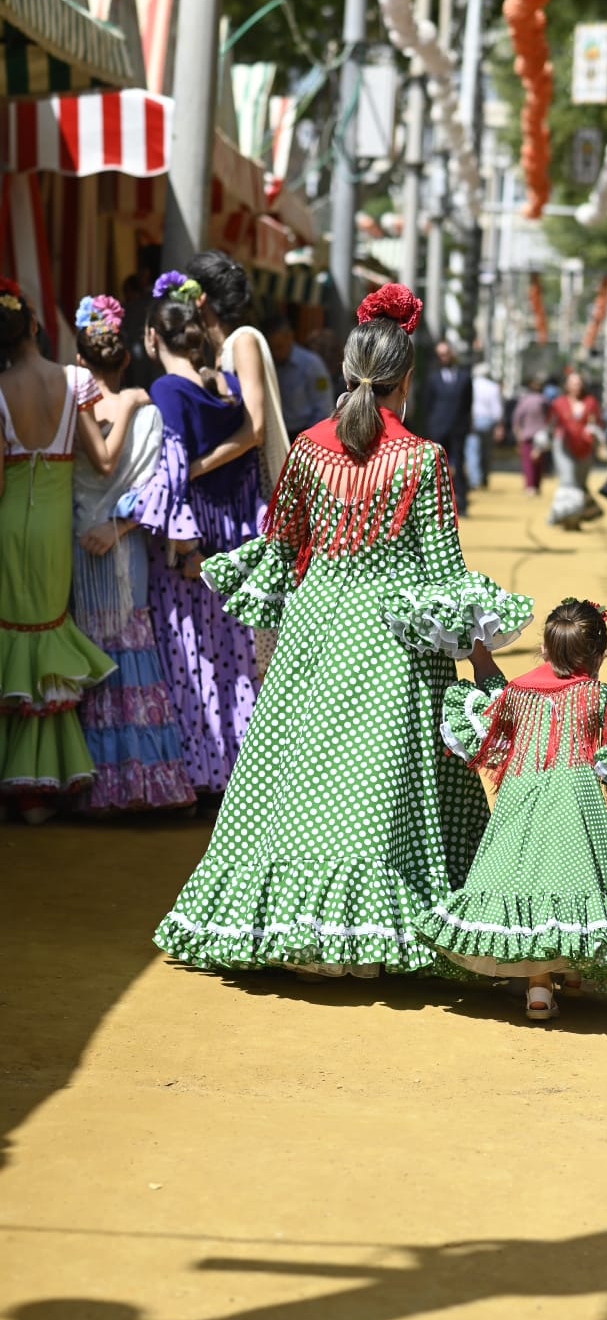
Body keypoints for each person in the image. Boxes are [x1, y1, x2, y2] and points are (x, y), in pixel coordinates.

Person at [152, 284, 533, 977]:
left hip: (316, 630)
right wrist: (482, 661)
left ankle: (292, 925)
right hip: (393, 640)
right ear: (405, 380)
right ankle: (373, 935)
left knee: (300, 777)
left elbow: (281, 548)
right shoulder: (422, 460)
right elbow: (445, 576)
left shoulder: (307, 448)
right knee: (380, 786)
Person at [417, 597, 607, 1021]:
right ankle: (572, 971)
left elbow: (490, 709)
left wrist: (480, 654)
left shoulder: (518, 693)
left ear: (544, 649)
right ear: (600, 655)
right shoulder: (596, 695)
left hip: (520, 799)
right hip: (576, 802)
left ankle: (539, 987)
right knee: (573, 880)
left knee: (526, 880)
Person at [0, 278, 132, 821]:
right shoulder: (76, 380)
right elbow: (104, 460)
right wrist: (131, 404)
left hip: (10, 521)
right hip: (55, 527)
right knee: (45, 637)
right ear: (34, 325)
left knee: (9, 636)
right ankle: (38, 789)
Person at [131, 271, 262, 797]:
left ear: (151, 337)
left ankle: (197, 773)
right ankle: (238, 775)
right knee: (232, 661)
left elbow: (172, 471)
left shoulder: (166, 391)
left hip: (188, 547)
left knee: (188, 658)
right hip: (230, 540)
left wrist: (182, 543)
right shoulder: (227, 389)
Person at [71, 293, 195, 814]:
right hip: (127, 548)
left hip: (78, 545)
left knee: (85, 650)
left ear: (80, 361)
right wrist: (120, 527)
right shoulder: (147, 415)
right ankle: (144, 783)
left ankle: (90, 785)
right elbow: (159, 489)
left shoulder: (71, 412)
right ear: (125, 360)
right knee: (131, 652)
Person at [188, 251, 289, 679]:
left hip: (264, 492)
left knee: (264, 639)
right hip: (247, 495)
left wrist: (195, 467)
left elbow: (256, 428)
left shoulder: (243, 340)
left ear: (201, 299)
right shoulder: (222, 348)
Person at [263, 312, 335, 441]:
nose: (275, 353)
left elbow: (324, 406)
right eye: (271, 349)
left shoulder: (311, 365)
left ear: (289, 337)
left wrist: (310, 438)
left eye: (279, 347)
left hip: (305, 433)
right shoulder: (268, 364)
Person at [423, 338, 473, 516]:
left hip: (458, 430)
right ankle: (436, 505)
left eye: (446, 353)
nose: (444, 357)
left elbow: (468, 403)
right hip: (438, 429)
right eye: (440, 355)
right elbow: (428, 404)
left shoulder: (464, 377)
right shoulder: (433, 379)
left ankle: (461, 503)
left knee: (459, 466)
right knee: (437, 467)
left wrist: (466, 425)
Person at [547, 370, 603, 529]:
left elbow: (597, 423)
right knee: (568, 481)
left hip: (585, 446)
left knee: (580, 483)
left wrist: (595, 435)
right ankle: (563, 515)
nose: (576, 386)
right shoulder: (559, 403)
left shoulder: (590, 402)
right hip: (563, 445)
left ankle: (576, 518)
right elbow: (551, 423)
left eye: (579, 383)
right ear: (566, 385)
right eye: (573, 383)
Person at [511, 375, 552, 495]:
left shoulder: (524, 401)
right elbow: (550, 417)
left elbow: (517, 418)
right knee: (540, 462)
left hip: (527, 434)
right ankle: (537, 485)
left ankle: (530, 486)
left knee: (528, 462)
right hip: (541, 435)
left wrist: (517, 433)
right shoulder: (544, 400)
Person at [467, 363, 504, 489]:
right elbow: (497, 408)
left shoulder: (471, 385)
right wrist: (499, 425)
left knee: (472, 451)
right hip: (488, 421)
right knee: (486, 451)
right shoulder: (493, 387)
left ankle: (475, 479)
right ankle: (484, 476)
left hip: (473, 420)